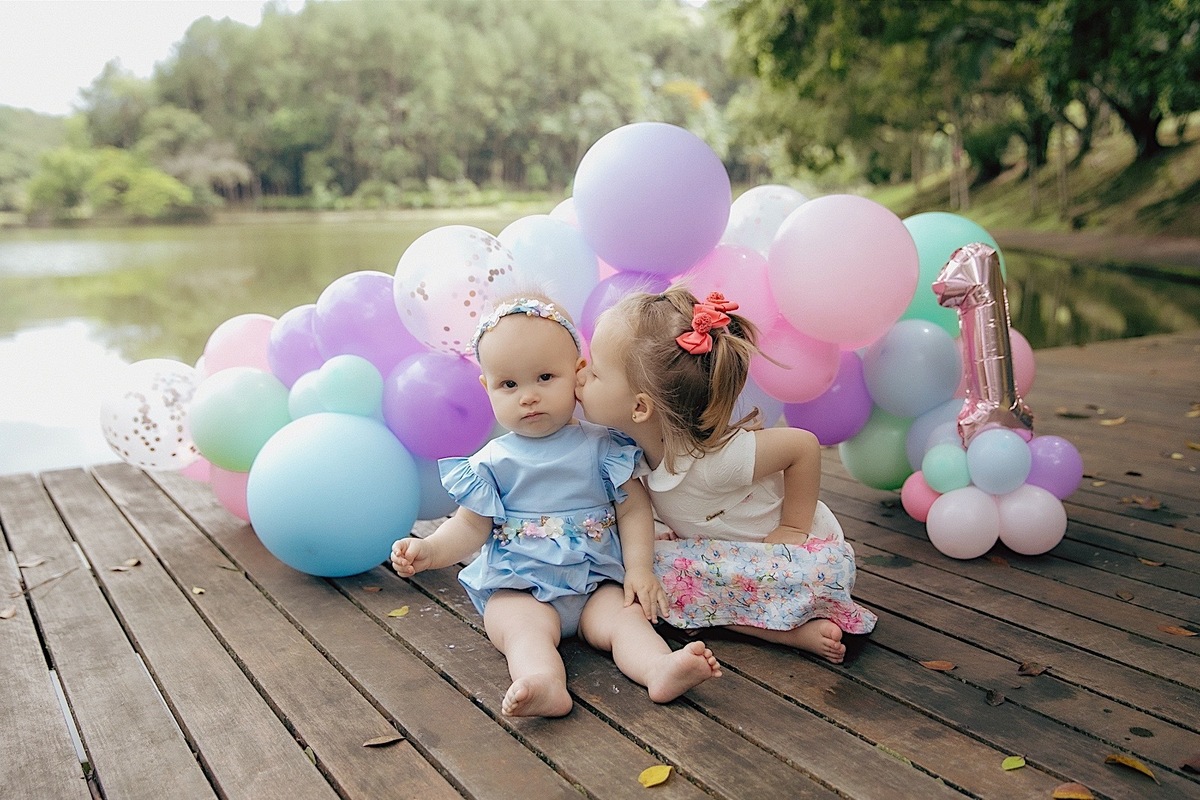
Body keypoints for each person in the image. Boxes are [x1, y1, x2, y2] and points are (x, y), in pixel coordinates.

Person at [390, 296, 721, 718]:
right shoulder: (492, 462)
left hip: (595, 583)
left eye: (545, 377)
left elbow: (634, 510)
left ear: (577, 373)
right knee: (519, 628)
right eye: (509, 385)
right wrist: (430, 550)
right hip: (521, 587)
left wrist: (638, 569)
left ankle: (659, 668)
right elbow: (470, 526)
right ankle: (543, 682)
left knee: (626, 619)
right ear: (487, 388)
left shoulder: (603, 446)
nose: (528, 397)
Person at [575, 286, 877, 664]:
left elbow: (803, 446)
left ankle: (789, 633)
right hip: (728, 561)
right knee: (647, 570)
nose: (581, 374)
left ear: (639, 408)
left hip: (795, 562)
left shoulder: (715, 461)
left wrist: (794, 527)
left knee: (670, 578)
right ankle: (767, 625)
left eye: (595, 372)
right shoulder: (635, 453)